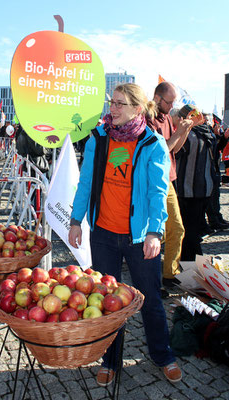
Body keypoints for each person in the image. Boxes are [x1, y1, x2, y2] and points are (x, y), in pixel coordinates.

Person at [69, 83, 182, 387]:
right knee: (105, 301)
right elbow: (85, 183)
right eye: (112, 103)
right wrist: (76, 220)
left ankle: (162, 355)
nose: (112, 109)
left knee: (151, 300)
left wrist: (156, 232)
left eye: (120, 104)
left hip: (139, 238)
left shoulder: (153, 143)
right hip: (103, 234)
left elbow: (159, 192)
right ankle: (110, 359)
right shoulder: (99, 138)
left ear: (136, 108)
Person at [147, 82, 193, 288]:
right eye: (169, 101)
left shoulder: (166, 118)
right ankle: (152, 275)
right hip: (152, 182)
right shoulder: (148, 119)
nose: (172, 105)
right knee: (156, 232)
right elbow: (159, 151)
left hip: (168, 180)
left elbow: (174, 149)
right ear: (157, 98)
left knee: (177, 229)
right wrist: (177, 134)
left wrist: (185, 131)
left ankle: (169, 273)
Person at [175, 109, 215, 261]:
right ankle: (196, 261)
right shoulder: (208, 133)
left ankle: (190, 263)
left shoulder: (189, 136)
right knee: (195, 228)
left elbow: (175, 153)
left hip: (187, 189)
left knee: (187, 230)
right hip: (205, 187)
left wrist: (183, 130)